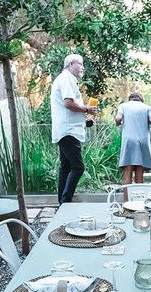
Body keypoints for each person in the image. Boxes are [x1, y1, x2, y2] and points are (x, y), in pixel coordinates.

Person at [50, 54, 97, 204]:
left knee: (66, 167)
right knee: (78, 167)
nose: (83, 67)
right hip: (69, 131)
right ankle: (66, 201)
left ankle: (62, 203)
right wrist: (86, 109)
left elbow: (68, 109)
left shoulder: (65, 79)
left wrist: (85, 121)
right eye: (80, 63)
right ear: (70, 64)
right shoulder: (67, 79)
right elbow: (68, 103)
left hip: (65, 130)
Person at [114, 92, 151, 187]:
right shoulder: (147, 107)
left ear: (130, 99)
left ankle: (126, 200)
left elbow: (118, 118)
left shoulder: (123, 106)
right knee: (139, 172)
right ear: (141, 99)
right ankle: (139, 199)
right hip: (142, 141)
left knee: (127, 172)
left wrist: (118, 123)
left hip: (128, 141)